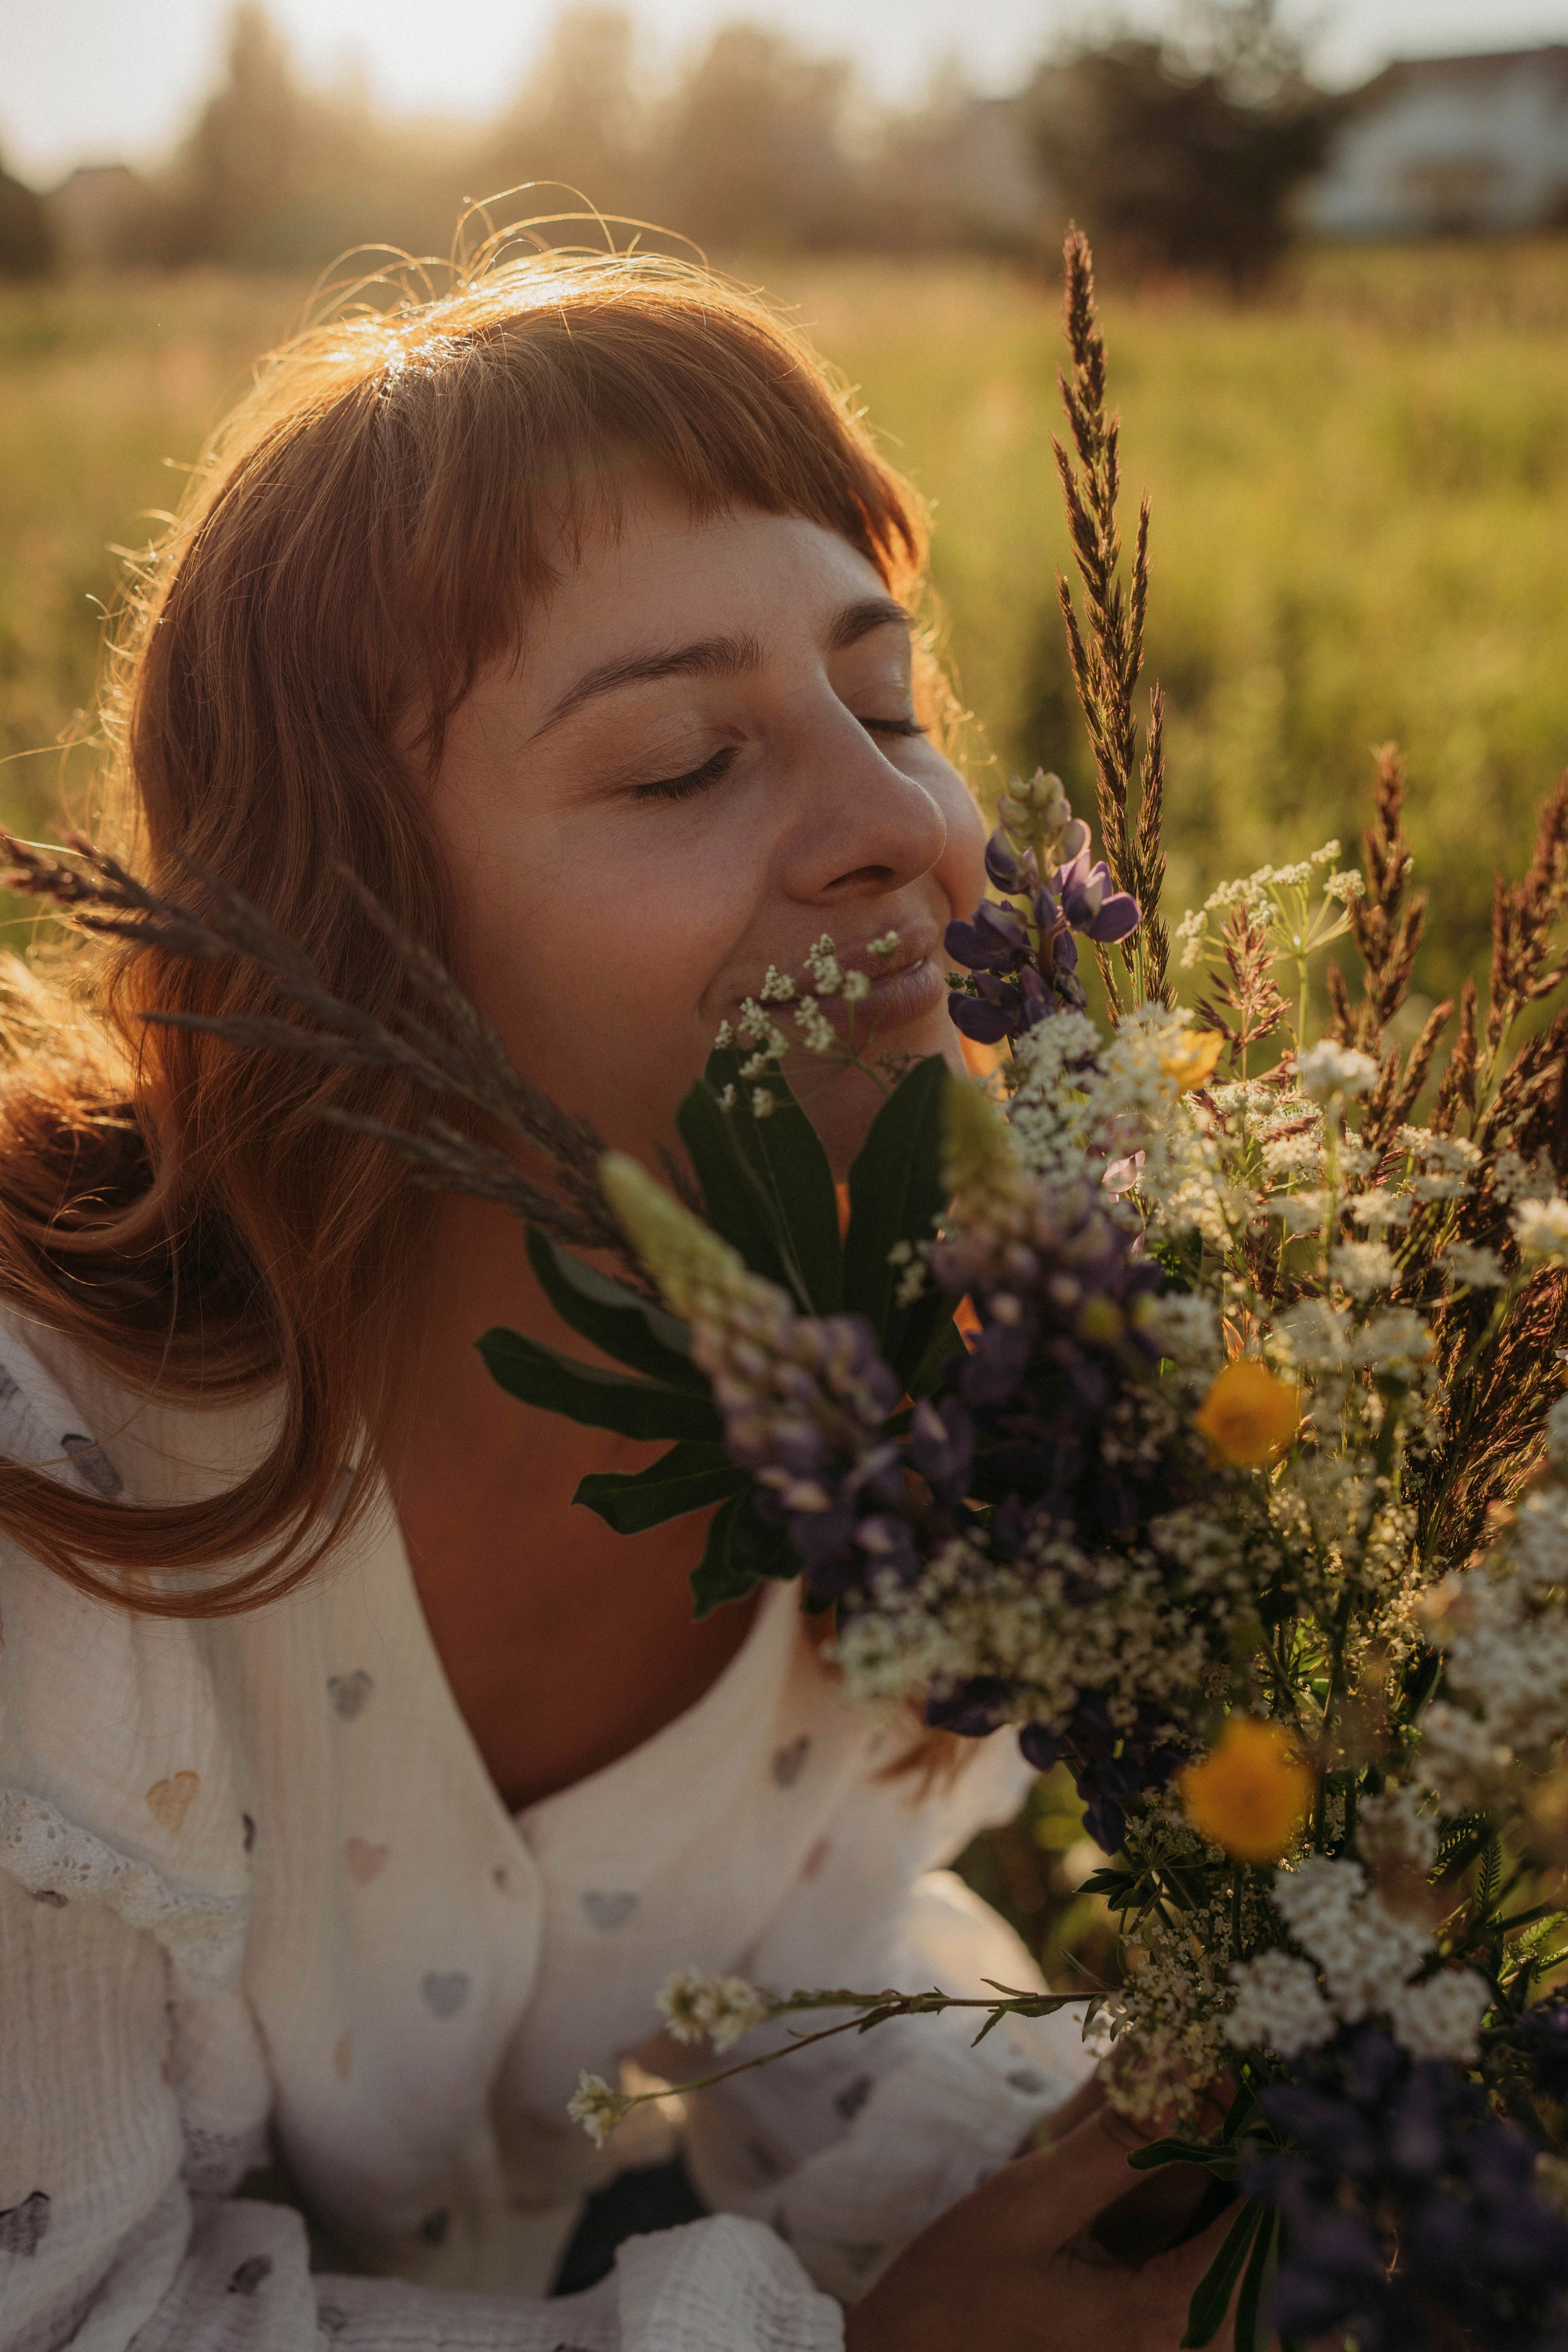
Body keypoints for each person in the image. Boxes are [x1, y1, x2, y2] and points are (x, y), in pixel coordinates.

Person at [0, 248, 1228, 2352]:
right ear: (350, 936)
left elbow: (810, 1965)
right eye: (681, 763)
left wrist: (1141, 2209)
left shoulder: (930, 1419)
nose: (904, 834)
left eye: (885, 704)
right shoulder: (66, 1515)